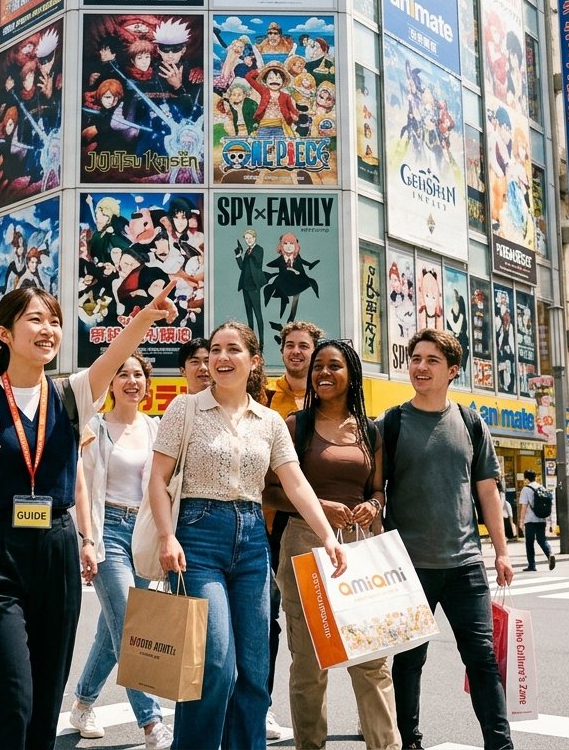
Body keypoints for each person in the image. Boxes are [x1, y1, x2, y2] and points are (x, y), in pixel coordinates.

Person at [0, 285, 176, 749]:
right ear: (4, 333)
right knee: (10, 697)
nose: (47, 330)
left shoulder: (72, 394)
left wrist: (147, 316)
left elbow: (115, 354)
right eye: (35, 319)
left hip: (55, 549)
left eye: (53, 320)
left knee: (46, 698)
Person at [148, 321, 347, 750]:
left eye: (232, 349)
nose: (220, 358)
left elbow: (294, 483)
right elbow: (157, 481)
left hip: (254, 540)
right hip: (197, 539)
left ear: (253, 361)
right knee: (215, 662)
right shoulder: (183, 410)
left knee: (255, 669)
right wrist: (168, 536)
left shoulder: (271, 421)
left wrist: (327, 535)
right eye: (215, 350)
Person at [382, 329, 513, 750]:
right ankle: (410, 741)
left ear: (452, 370)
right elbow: (373, 488)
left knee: (482, 660)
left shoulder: (471, 422)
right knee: (408, 661)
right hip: (409, 565)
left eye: (431, 360)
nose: (420, 367)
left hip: (464, 565)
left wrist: (502, 552)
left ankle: (500, 743)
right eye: (415, 358)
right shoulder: (393, 423)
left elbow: (487, 490)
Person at [269, 338, 398, 750]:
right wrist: (318, 505)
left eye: (334, 366)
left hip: (361, 548)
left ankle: (386, 746)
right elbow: (269, 492)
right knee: (309, 664)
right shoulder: (294, 426)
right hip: (305, 545)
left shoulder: (369, 431)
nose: (323, 373)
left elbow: (378, 490)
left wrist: (373, 506)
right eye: (317, 366)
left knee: (372, 662)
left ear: (351, 375)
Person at [68, 354, 174, 749]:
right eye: (122, 375)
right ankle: (151, 722)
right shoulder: (94, 427)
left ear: (147, 384)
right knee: (132, 625)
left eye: (138, 375)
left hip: (143, 531)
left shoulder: (156, 429)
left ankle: (82, 701)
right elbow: (82, 488)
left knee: (111, 630)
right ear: (110, 384)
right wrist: (87, 539)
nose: (132, 381)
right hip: (108, 529)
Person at [259, 319, 323, 740]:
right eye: (290, 346)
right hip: (268, 523)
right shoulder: (263, 396)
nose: (297, 352)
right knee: (267, 622)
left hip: (316, 526)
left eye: (305, 347)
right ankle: (261, 706)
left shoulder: (332, 398)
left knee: (320, 624)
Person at [518, 470, 555, 571]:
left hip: (530, 520)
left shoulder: (526, 489)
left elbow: (524, 506)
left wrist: (521, 521)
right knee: (542, 540)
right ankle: (550, 553)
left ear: (526, 479)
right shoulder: (541, 487)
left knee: (529, 542)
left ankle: (532, 565)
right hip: (542, 518)